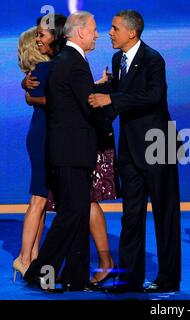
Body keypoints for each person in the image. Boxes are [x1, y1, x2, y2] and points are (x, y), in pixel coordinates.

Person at [16, 15, 119, 290]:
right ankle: (38, 272)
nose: (97, 35)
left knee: (76, 211)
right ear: (81, 33)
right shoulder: (73, 62)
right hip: (71, 151)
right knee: (72, 213)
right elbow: (88, 105)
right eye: (95, 31)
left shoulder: (67, 61)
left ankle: (75, 277)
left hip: (69, 150)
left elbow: (73, 99)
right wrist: (107, 124)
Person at [89, 10, 181, 293]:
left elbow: (154, 96)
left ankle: (168, 278)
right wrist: (101, 89)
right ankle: (130, 279)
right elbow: (116, 101)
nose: (109, 32)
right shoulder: (118, 60)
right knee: (131, 215)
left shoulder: (153, 59)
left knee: (165, 214)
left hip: (159, 144)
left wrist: (111, 96)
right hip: (130, 148)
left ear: (132, 33)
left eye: (114, 28)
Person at [13, 15, 65, 280]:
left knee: (41, 199)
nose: (41, 40)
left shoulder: (39, 71)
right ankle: (24, 258)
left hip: (40, 134)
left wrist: (28, 91)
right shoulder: (46, 70)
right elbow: (53, 100)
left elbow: (33, 97)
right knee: (39, 199)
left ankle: (32, 256)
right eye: (38, 38)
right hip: (45, 137)